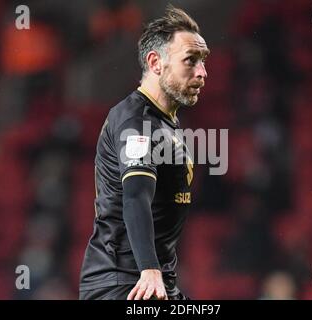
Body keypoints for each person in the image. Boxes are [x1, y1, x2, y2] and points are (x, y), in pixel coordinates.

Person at [79, 5, 209, 300]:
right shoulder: (136, 121)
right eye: (191, 61)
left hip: (156, 282)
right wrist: (149, 269)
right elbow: (135, 196)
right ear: (155, 62)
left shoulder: (166, 122)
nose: (202, 72)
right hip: (125, 284)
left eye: (203, 61)